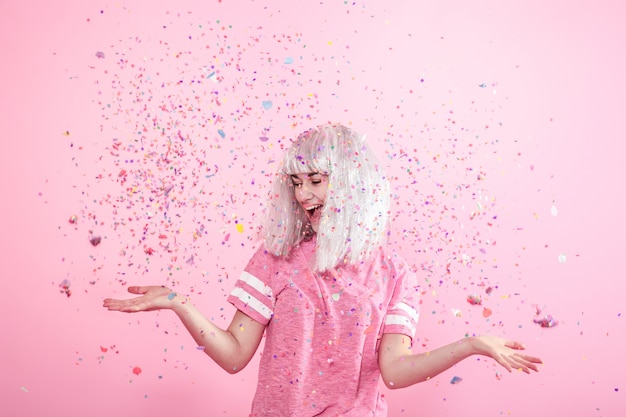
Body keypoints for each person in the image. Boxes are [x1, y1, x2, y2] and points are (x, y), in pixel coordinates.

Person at [103, 123, 542, 416]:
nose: (303, 194)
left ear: (351, 184)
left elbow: (395, 371)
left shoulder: (394, 272)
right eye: (296, 182)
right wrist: (179, 304)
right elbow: (235, 356)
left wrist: (472, 344)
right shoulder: (274, 258)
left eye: (316, 179)